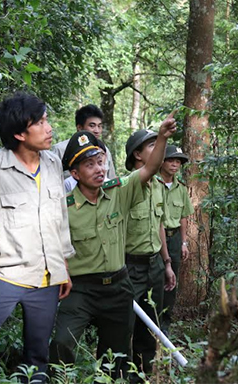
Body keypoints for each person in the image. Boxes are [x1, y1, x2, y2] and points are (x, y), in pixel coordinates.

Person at [50, 111, 176, 380]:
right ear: (74, 173)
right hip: (80, 289)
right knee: (61, 342)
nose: (98, 169)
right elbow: (52, 245)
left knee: (116, 356)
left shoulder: (119, 191)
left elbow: (149, 168)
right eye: (89, 165)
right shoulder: (63, 206)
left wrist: (162, 137)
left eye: (100, 162)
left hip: (118, 286)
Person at [0, 93, 75, 383]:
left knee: (38, 354)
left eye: (47, 120)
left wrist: (63, 267)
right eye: (39, 123)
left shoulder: (52, 164)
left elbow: (59, 219)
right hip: (6, 273)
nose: (48, 128)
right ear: (19, 133)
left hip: (47, 277)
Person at [124, 130, 177, 377]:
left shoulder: (158, 187)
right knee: (124, 325)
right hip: (129, 266)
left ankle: (143, 375)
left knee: (150, 325)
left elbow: (159, 226)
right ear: (137, 154)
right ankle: (120, 374)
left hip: (154, 264)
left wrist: (166, 264)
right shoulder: (126, 186)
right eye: (152, 146)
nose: (159, 151)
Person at [159, 145, 192, 334]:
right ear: (162, 161)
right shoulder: (153, 183)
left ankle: (165, 324)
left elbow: (183, 217)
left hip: (174, 238)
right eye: (171, 160)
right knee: (156, 278)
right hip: (155, 239)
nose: (174, 164)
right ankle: (151, 321)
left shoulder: (181, 189)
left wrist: (184, 242)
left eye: (178, 161)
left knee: (171, 281)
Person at [52, 104, 116, 192]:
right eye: (92, 126)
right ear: (79, 128)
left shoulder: (104, 150)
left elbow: (111, 180)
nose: (97, 131)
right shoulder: (60, 149)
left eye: (99, 126)